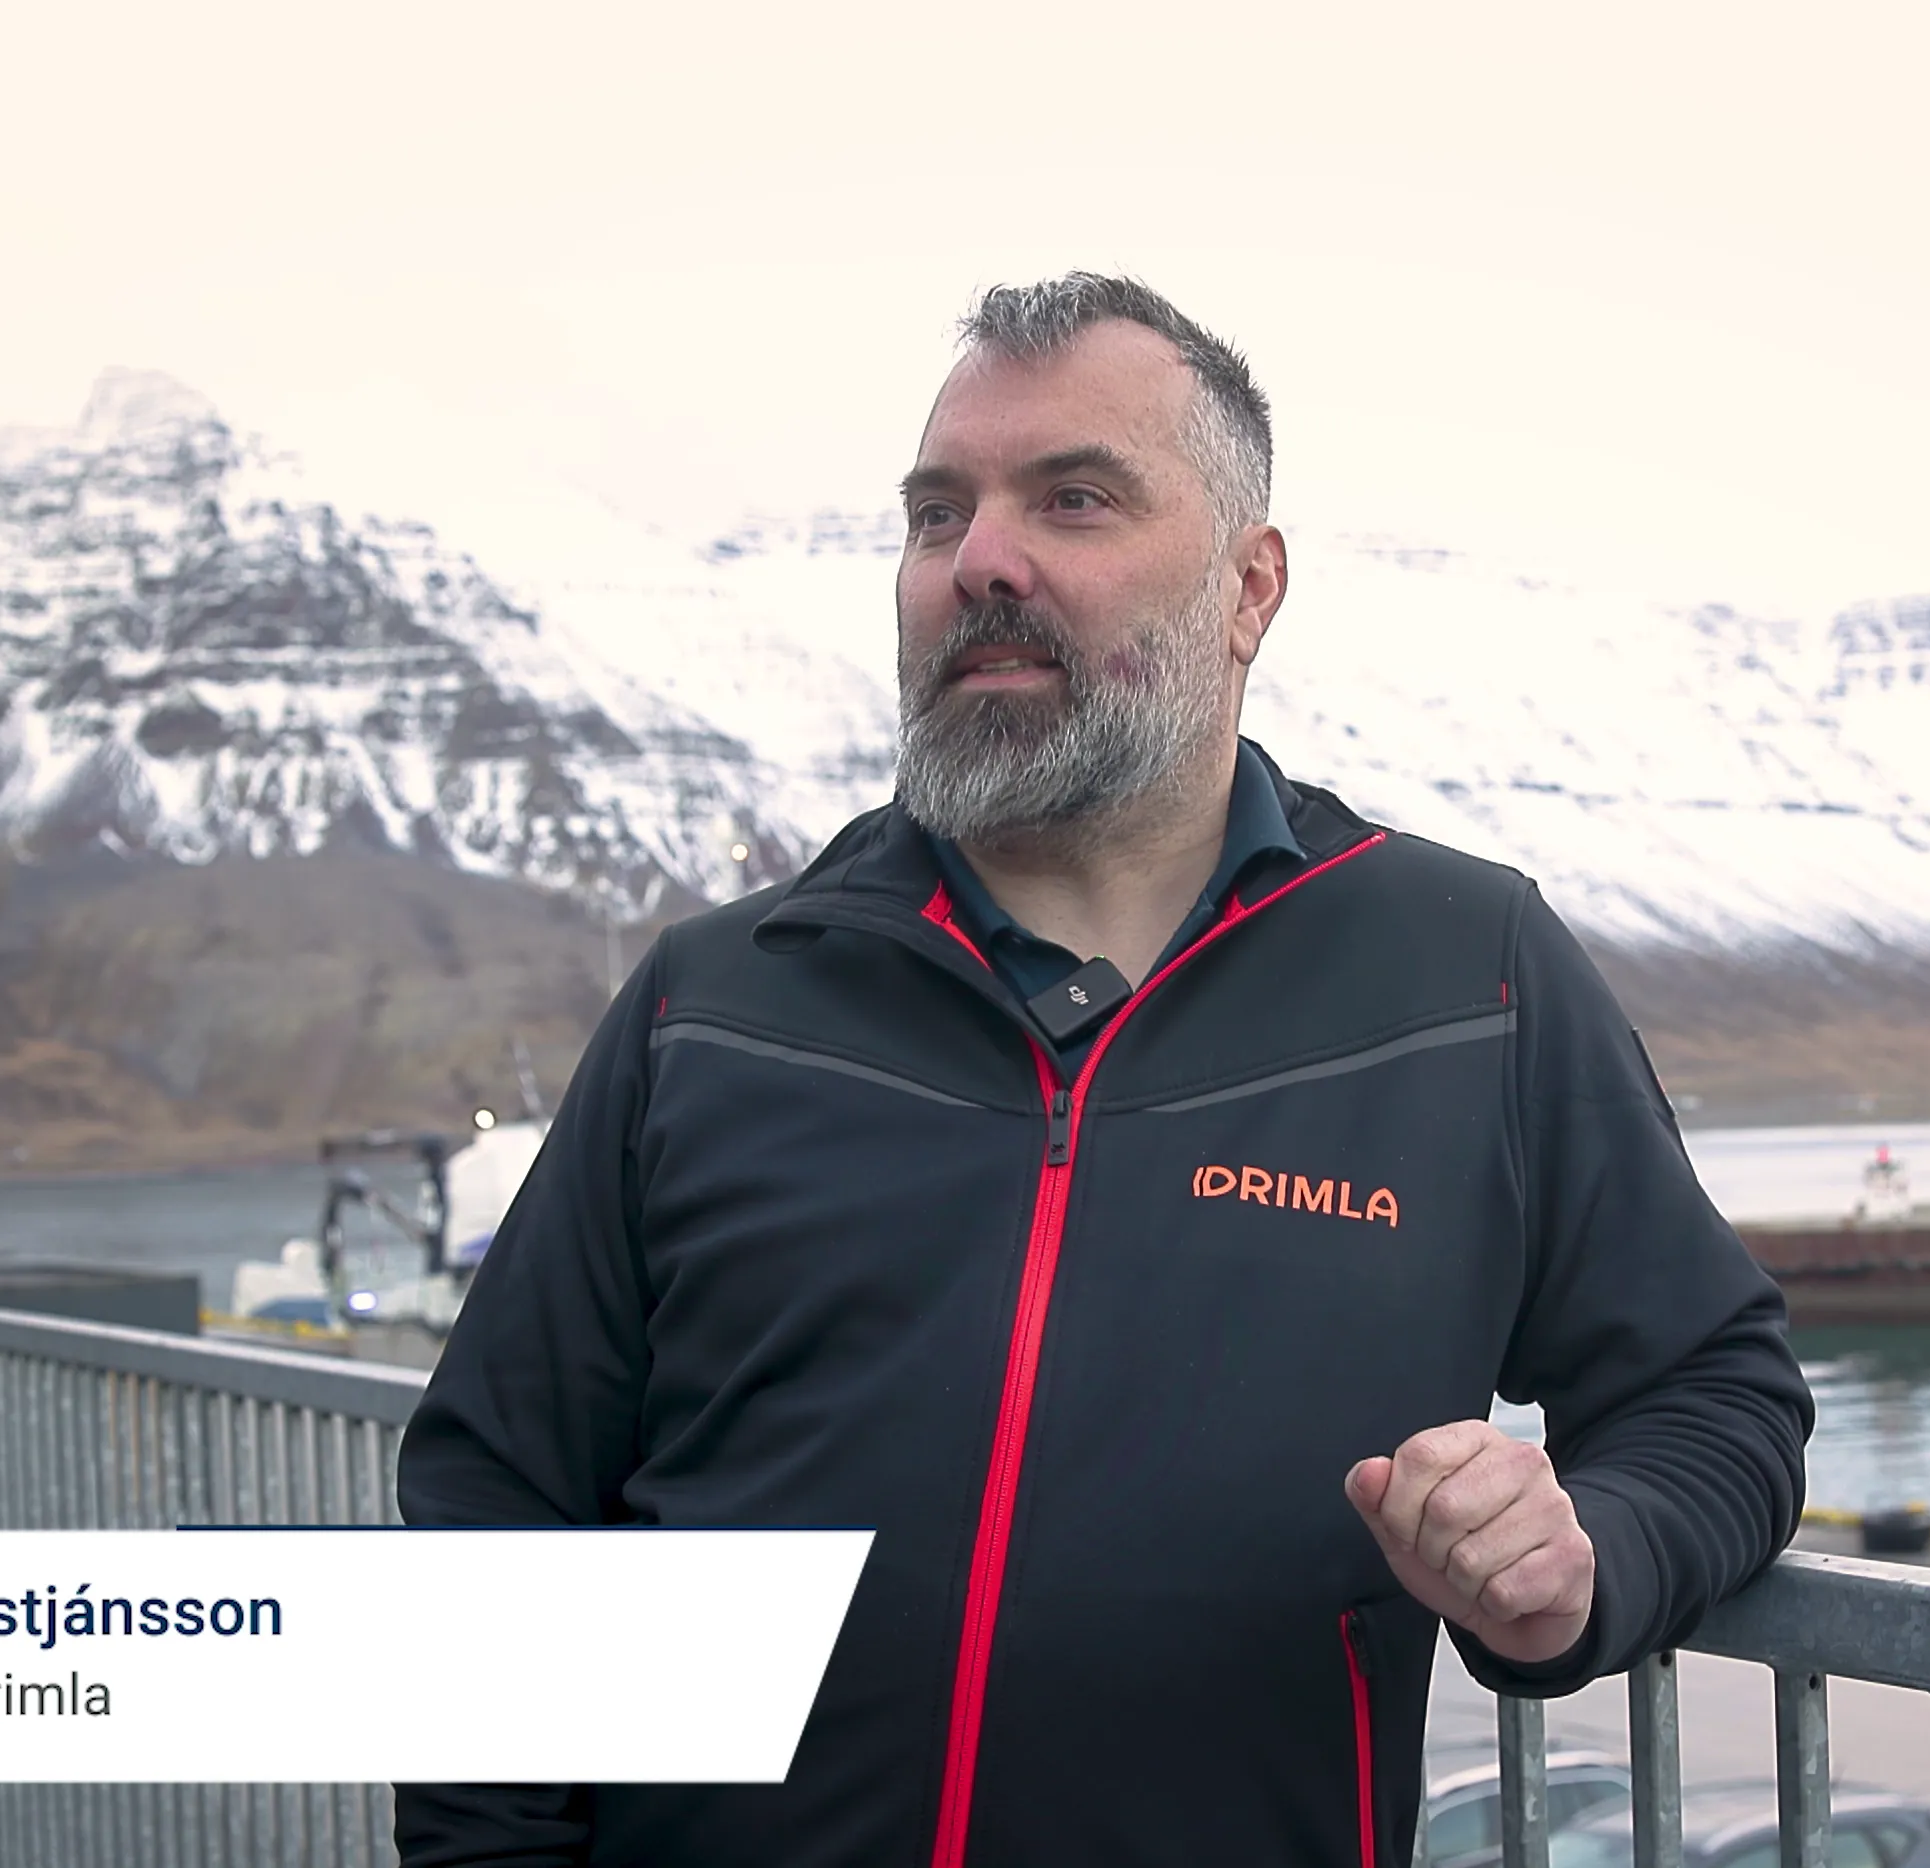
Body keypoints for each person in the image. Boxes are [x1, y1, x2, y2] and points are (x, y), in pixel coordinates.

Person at [394, 274, 1814, 1867]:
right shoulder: (715, 1006)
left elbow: (1718, 1392)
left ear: (1247, 588)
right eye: (940, 516)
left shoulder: (1462, 974)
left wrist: (1585, 1559)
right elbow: (500, 1520)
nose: (979, 560)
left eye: (1072, 499)